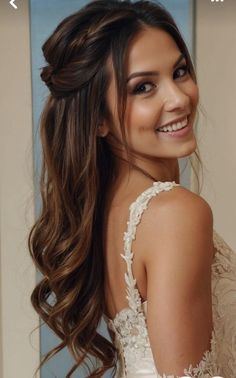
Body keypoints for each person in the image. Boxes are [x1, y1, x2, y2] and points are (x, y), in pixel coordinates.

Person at [28, 1, 236, 377]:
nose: (178, 98)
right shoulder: (175, 213)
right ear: (99, 121)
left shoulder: (109, 212)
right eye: (143, 87)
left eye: (180, 71)